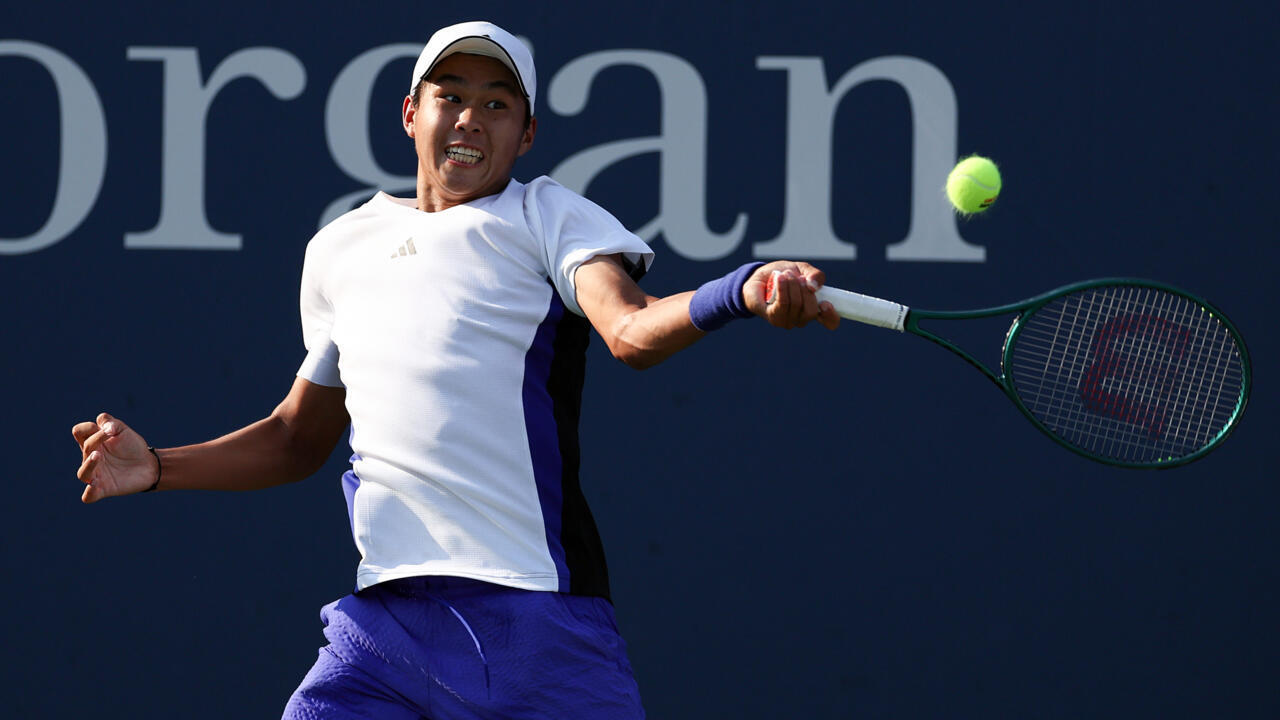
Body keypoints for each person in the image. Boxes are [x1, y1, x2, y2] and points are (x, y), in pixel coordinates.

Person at [71, 20, 839, 719]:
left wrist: (740, 289)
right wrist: (158, 467)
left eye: (497, 104)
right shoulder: (341, 248)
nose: (471, 117)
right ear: (413, 114)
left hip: (541, 629)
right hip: (383, 637)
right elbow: (297, 437)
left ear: (526, 134)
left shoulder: (547, 217)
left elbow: (632, 330)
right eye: (452, 96)